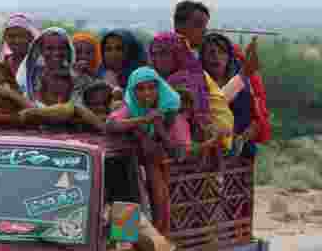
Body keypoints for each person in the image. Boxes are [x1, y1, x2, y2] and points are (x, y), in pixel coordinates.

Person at [106, 66, 188, 231]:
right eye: (140, 89)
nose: (146, 93)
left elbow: (179, 153)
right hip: (127, 170)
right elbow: (111, 124)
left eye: (151, 87)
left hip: (156, 167)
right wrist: (143, 120)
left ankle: (156, 238)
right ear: (132, 90)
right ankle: (128, 240)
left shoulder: (170, 109)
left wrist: (159, 129)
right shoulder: (129, 107)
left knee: (158, 195)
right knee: (127, 205)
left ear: (160, 88)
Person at [148, 31, 234, 152]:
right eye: (154, 54)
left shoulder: (185, 77)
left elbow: (187, 112)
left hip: (196, 135)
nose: (158, 59)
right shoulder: (155, 77)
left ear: (177, 54)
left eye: (164, 53)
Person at [202, 32, 271, 158]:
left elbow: (257, 119)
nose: (216, 57)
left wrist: (244, 137)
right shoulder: (196, 82)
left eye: (222, 52)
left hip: (241, 155)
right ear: (202, 57)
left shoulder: (244, 88)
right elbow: (213, 106)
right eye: (211, 52)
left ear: (229, 57)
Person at [18, 27, 75, 101]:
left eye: (61, 48)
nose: (56, 53)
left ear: (68, 50)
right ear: (41, 50)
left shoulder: (75, 76)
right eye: (49, 48)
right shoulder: (28, 76)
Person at [99, 29, 148, 97]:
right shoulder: (98, 75)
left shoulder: (144, 77)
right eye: (108, 49)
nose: (113, 54)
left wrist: (116, 88)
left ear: (131, 51)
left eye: (119, 48)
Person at [0, 13, 40, 78]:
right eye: (11, 36)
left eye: (22, 36)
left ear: (30, 37)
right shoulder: (2, 64)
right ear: (5, 38)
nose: (17, 41)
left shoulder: (37, 64)